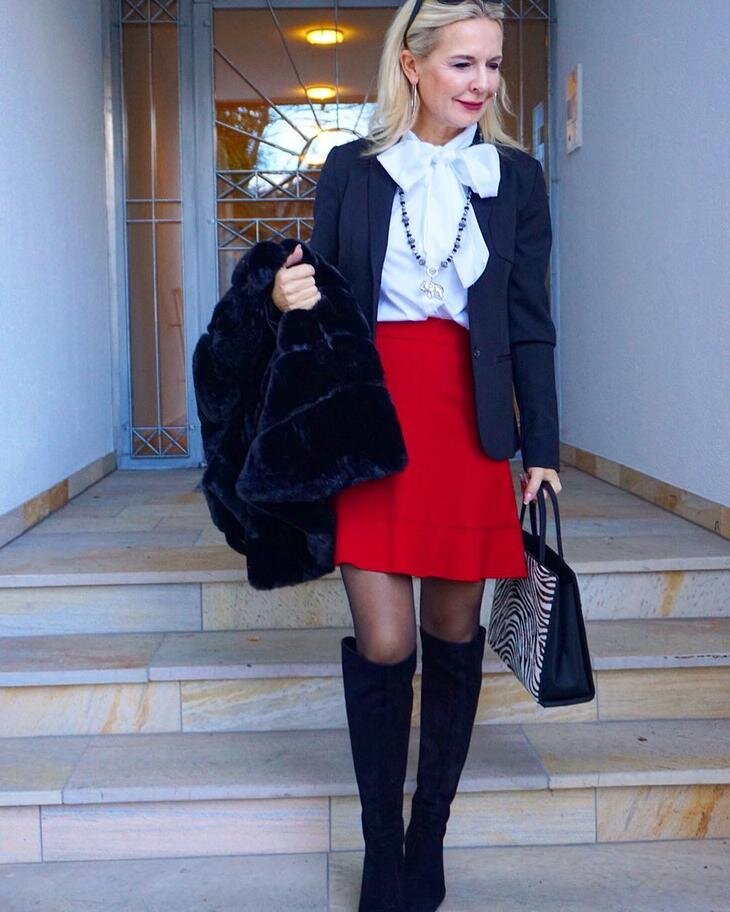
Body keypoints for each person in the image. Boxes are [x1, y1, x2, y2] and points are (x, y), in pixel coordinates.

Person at [271, 1, 561, 908]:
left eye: (493, 64)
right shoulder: (351, 169)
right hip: (373, 420)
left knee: (452, 631)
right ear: (411, 65)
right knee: (386, 638)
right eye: (462, 63)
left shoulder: (516, 177)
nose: (482, 83)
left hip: (468, 424)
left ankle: (425, 836)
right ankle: (380, 845)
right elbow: (323, 296)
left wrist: (541, 446)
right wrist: (284, 299)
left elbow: (529, 321)